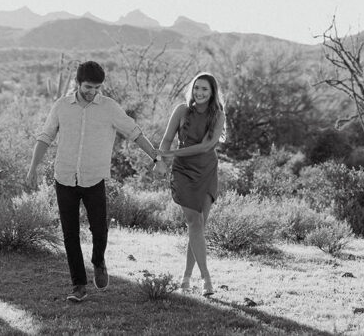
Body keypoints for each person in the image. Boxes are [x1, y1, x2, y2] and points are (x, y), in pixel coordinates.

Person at [27, 60, 161, 303]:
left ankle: (98, 260)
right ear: (78, 83)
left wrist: (156, 157)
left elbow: (134, 132)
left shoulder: (109, 108)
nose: (92, 92)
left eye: (97, 88)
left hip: (94, 178)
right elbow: (45, 136)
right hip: (65, 177)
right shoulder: (61, 106)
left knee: (99, 229)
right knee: (70, 234)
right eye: (88, 86)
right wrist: (33, 166)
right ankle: (78, 285)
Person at [155, 72, 227, 297]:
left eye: (205, 89)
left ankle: (186, 278)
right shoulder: (181, 110)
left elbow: (206, 147)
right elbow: (167, 139)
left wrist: (171, 154)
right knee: (193, 221)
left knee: (198, 227)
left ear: (212, 92)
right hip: (183, 172)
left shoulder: (218, 115)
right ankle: (206, 279)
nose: (200, 93)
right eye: (197, 88)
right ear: (192, 89)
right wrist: (160, 161)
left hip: (206, 170)